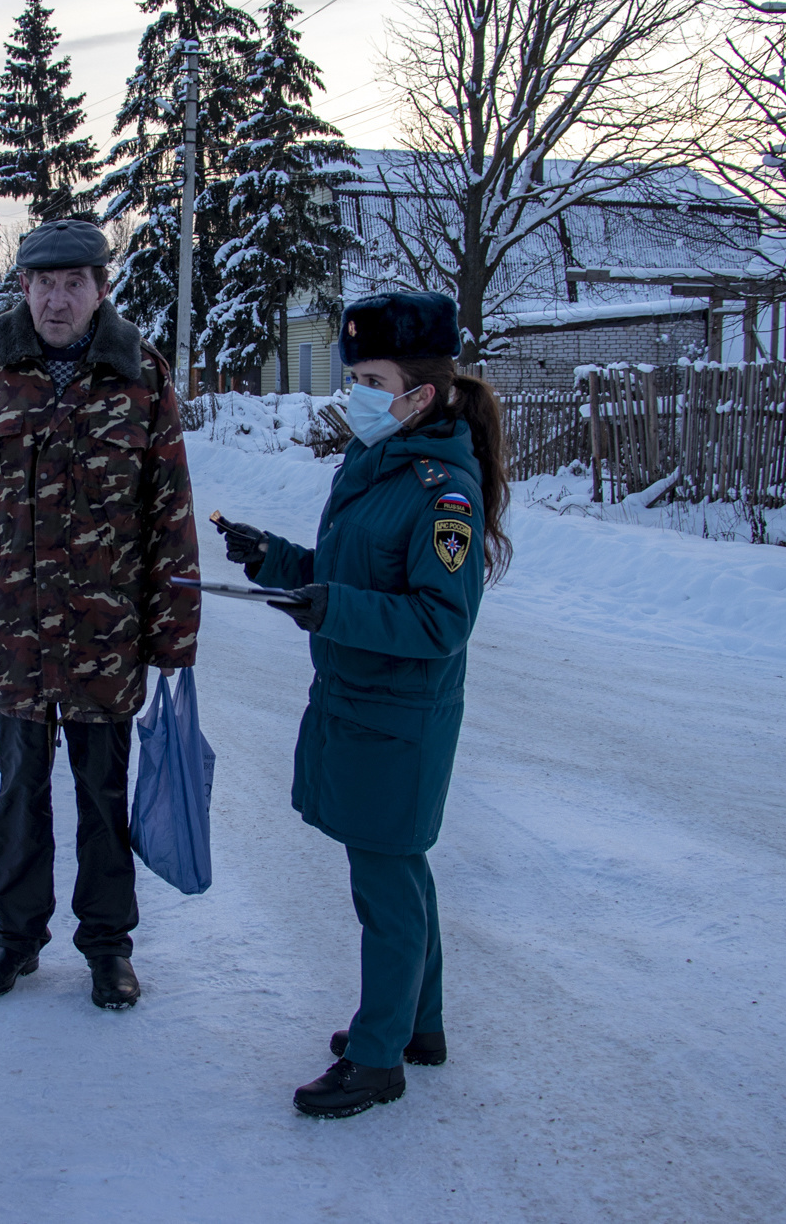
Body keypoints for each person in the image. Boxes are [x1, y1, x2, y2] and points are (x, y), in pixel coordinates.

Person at [210, 291, 511, 1118]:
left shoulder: (441, 489)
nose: (358, 395)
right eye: (355, 378)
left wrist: (332, 607)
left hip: (400, 718)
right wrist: (275, 559)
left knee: (384, 885)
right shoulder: (375, 464)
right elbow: (354, 574)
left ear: (423, 391)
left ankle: (379, 1060)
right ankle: (420, 1025)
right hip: (358, 703)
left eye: (372, 378)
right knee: (399, 870)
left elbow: (441, 620)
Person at [0, 218, 200, 1011]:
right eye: (44, 282)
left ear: (101, 289)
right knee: (19, 792)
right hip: (12, 632)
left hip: (105, 639)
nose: (57, 297)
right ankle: (14, 939)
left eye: (74, 282)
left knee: (103, 797)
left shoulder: (140, 372)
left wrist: (171, 628)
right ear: (24, 288)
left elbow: (169, 506)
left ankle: (108, 947)